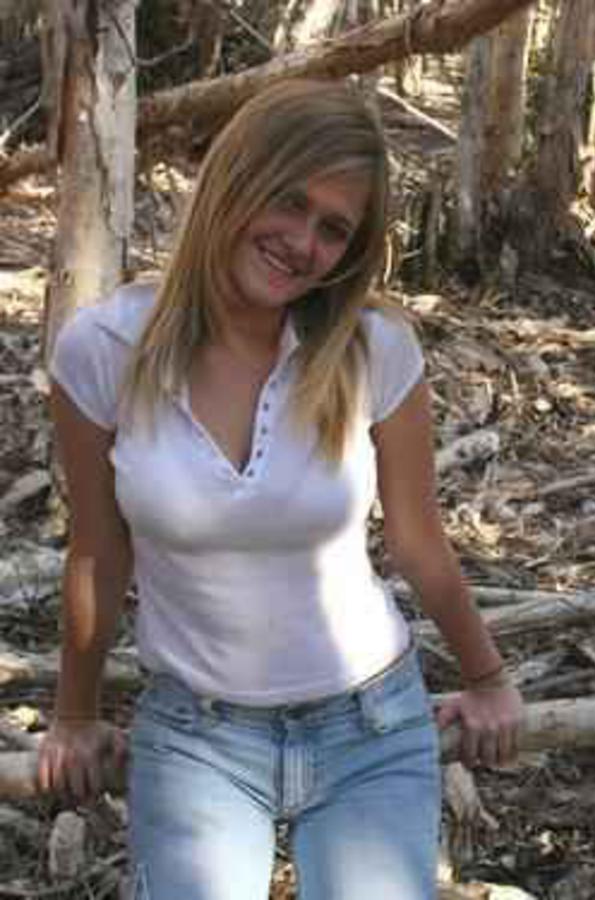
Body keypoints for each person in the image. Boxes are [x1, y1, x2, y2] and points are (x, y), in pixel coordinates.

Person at [38, 78, 523, 900]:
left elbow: (418, 543)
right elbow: (98, 555)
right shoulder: (102, 350)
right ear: (237, 176)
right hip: (196, 736)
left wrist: (487, 680)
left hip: (371, 725)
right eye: (290, 201)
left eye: (334, 229)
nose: (303, 243)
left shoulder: (372, 348)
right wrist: (75, 716)